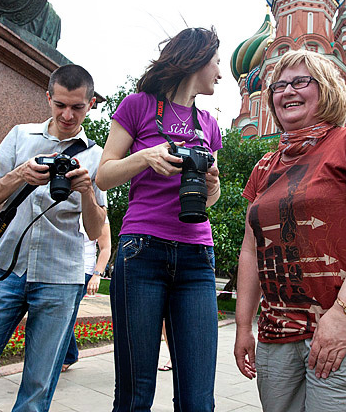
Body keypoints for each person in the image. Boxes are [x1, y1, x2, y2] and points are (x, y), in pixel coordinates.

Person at [234, 50, 346, 411]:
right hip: (278, 338)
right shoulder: (265, 166)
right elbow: (251, 251)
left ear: (328, 89)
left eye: (301, 82)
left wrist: (344, 314)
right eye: (279, 86)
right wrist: (243, 327)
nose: (287, 91)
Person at [0, 64, 107, 412]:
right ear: (48, 98)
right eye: (59, 105)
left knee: (36, 392)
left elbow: (94, 228)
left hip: (60, 278)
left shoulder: (96, 156)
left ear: (90, 104)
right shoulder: (20, 136)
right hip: (5, 272)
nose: (67, 115)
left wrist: (87, 192)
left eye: (77, 107)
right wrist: (20, 174)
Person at [96, 27, 223, 412]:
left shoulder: (210, 125)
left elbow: (211, 201)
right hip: (142, 252)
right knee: (135, 395)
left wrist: (212, 182)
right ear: (198, 59)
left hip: (197, 257)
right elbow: (103, 175)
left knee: (198, 400)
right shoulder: (138, 105)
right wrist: (146, 158)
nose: (220, 71)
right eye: (217, 61)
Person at [61, 216, 111, 372]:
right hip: (60, 269)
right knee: (64, 314)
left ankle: (66, 356)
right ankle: (69, 354)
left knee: (64, 313)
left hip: (83, 271)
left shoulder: (97, 211)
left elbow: (106, 248)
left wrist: (97, 275)